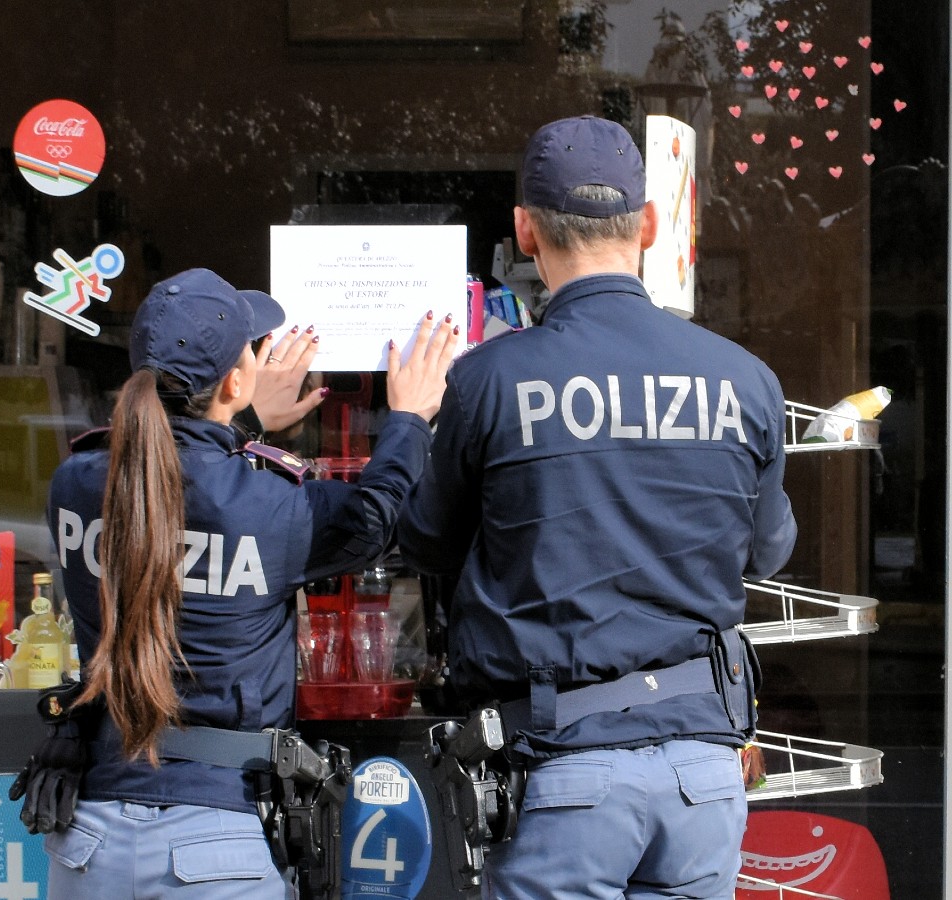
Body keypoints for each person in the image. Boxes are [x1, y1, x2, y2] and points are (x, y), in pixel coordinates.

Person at [397, 116, 798, 899]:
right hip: (702, 774)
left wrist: (408, 426)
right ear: (648, 224)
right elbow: (767, 551)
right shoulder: (745, 379)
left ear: (524, 231)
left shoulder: (489, 380)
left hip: (564, 770)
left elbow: (428, 543)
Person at [42, 267, 456, 898]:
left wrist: (245, 422)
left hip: (89, 841)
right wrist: (408, 419)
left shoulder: (73, 485)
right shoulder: (268, 505)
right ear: (235, 380)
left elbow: (172, 489)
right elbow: (373, 519)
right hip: (211, 840)